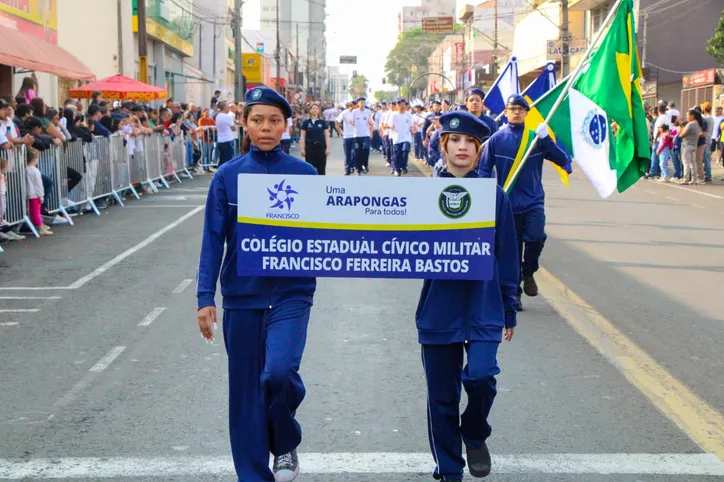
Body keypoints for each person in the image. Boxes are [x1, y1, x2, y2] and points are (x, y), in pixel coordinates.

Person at [197, 87, 317, 482]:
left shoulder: (305, 174)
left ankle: (284, 441)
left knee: (278, 373)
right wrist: (205, 296)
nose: (266, 128)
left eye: (274, 121)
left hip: (292, 294)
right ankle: (252, 475)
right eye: (258, 120)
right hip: (241, 296)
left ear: (286, 125)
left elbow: (332, 232)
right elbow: (214, 238)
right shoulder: (228, 176)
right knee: (246, 394)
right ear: (244, 124)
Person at [415, 110, 519, 482]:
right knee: (441, 398)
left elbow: (507, 256)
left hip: (483, 306)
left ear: (479, 150)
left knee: (480, 377)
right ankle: (448, 470)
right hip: (439, 309)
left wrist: (509, 306)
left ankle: (474, 433)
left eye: (470, 143)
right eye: (454, 141)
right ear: (442, 146)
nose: (462, 147)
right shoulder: (422, 194)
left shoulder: (494, 197)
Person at [478, 94, 569, 310]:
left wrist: (547, 140)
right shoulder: (496, 140)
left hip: (533, 200)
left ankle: (529, 272)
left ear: (527, 113)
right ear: (506, 112)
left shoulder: (535, 139)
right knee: (512, 251)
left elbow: (562, 160)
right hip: (507, 203)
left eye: (521, 109)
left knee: (536, 237)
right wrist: (487, 194)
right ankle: (515, 293)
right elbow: (483, 170)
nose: (517, 112)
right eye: (512, 108)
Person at [300, 103, 330, 175]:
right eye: (313, 108)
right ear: (310, 110)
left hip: (320, 148)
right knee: (310, 169)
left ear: (319, 110)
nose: (315, 110)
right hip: (310, 148)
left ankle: (321, 185)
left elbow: (327, 136)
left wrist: (328, 148)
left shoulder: (322, 122)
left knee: (321, 169)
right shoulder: (306, 122)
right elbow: (302, 136)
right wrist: (302, 149)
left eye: (316, 108)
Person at [390, 98, 413, 176]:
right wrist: (391, 126)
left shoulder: (409, 115)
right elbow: (389, 124)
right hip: (397, 137)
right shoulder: (394, 115)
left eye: (403, 104)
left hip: (406, 136)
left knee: (405, 150)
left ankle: (404, 166)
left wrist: (413, 129)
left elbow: (411, 125)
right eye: (399, 104)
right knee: (397, 154)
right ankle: (397, 169)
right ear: (397, 105)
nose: (402, 106)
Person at [353, 97, 374, 174]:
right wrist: (352, 123)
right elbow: (352, 122)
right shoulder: (354, 112)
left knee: (366, 149)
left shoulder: (368, 112)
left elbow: (371, 122)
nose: (362, 104)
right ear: (358, 104)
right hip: (357, 135)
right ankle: (358, 169)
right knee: (357, 152)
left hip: (366, 135)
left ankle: (365, 165)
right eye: (361, 102)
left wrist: (371, 132)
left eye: (364, 102)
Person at [336, 101, 357, 175]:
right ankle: (347, 168)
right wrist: (340, 131)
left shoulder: (358, 113)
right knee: (347, 153)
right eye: (356, 105)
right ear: (352, 105)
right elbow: (337, 121)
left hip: (356, 136)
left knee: (354, 152)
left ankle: (353, 166)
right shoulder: (345, 113)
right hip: (347, 136)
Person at [215, 101, 236, 167]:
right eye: (227, 107)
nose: (228, 109)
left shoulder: (218, 116)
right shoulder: (227, 117)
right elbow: (234, 128)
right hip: (227, 140)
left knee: (222, 159)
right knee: (228, 159)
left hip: (221, 140)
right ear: (224, 108)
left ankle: (220, 173)